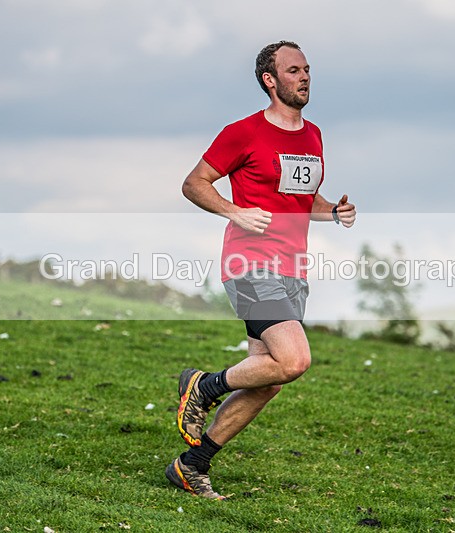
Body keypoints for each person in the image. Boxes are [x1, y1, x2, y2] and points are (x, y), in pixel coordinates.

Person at [166, 40, 356, 499]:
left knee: (268, 378)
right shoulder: (243, 132)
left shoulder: (313, 136)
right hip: (251, 264)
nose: (305, 77)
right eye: (294, 70)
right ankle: (204, 385)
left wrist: (332, 211)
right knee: (294, 361)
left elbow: (299, 196)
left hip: (293, 269)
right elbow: (195, 183)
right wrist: (234, 211)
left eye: (307, 69)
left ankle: (191, 465)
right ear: (270, 80)